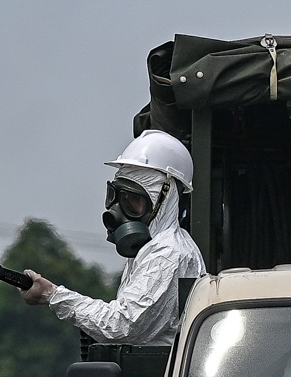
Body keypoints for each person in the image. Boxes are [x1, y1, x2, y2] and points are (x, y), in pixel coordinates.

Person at [21, 130, 206, 345]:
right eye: (117, 197)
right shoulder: (151, 250)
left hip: (160, 376)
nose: (118, 210)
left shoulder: (169, 254)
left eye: (133, 201)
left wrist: (53, 295)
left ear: (164, 200)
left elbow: (122, 326)